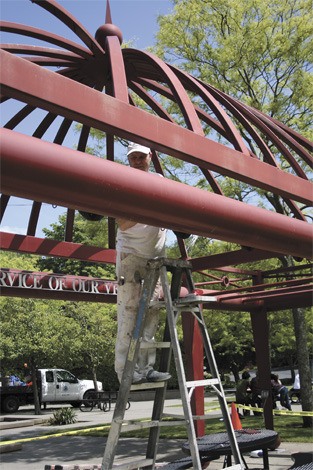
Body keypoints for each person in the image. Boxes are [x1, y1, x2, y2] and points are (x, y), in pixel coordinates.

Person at [115, 142, 171, 384]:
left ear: (151, 156)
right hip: (131, 257)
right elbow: (122, 222)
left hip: (155, 261)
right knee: (129, 314)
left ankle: (146, 369)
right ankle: (125, 371)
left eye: (141, 156)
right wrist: (154, 211)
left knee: (150, 316)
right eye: (132, 157)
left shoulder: (160, 182)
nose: (137, 161)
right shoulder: (122, 182)